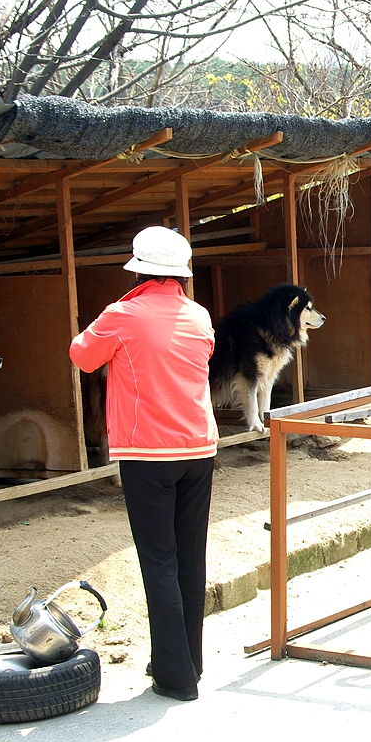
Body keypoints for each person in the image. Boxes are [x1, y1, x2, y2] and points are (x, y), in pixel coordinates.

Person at [69, 225, 218, 701]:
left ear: (137, 270)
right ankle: (186, 662)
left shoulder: (123, 313)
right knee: (189, 559)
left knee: (159, 561)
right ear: (180, 273)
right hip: (199, 449)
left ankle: (175, 677)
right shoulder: (199, 315)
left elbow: (82, 355)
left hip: (147, 453)